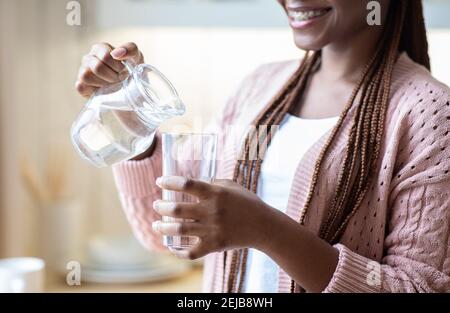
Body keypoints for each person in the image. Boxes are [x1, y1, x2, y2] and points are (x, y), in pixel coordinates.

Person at [75, 0, 450, 292]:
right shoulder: (258, 88)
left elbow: (419, 286)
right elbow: (164, 230)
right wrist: (129, 114)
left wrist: (267, 230)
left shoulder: (427, 111)